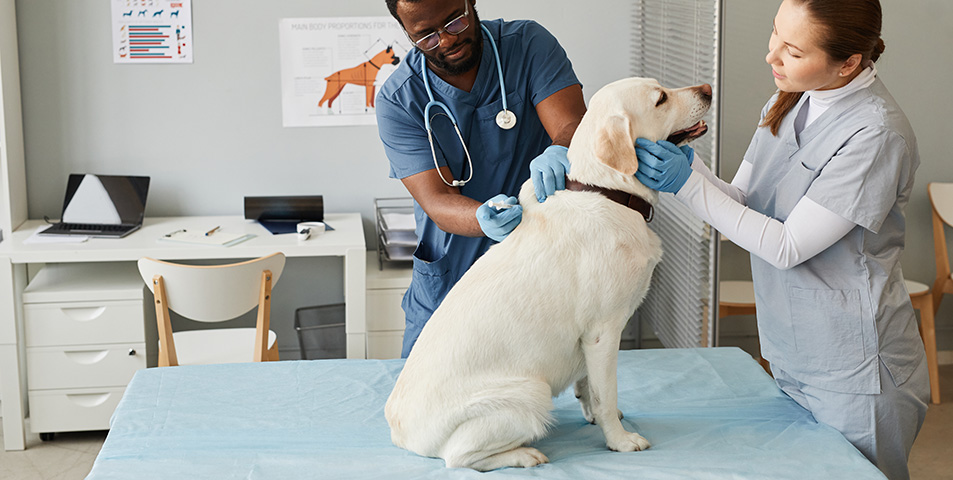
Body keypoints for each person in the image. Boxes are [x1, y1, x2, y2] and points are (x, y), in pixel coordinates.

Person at [626, 0, 929, 478]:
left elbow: (786, 245)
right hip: (792, 352)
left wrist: (685, 183)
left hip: (854, 368)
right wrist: (687, 161)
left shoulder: (876, 134)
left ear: (848, 63)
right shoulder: (789, 100)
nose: (771, 57)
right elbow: (743, 202)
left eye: (791, 50)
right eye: (775, 35)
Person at [376, 0, 586, 357]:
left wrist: (561, 149)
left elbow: (570, 124)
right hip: (451, 278)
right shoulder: (400, 100)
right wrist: (482, 219)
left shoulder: (526, 45)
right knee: (427, 397)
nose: (445, 41)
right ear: (406, 33)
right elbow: (438, 200)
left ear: (471, 2)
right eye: (425, 36)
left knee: (539, 391)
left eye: (454, 21)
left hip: (539, 266)